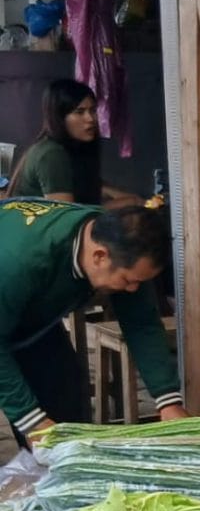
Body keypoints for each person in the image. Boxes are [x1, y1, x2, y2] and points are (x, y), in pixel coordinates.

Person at [0, 200, 186, 443]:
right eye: (128, 280)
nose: (133, 289)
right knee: (32, 420)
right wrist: (31, 420)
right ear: (99, 256)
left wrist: (168, 399)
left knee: (64, 401)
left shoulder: (121, 242)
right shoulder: (20, 262)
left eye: (140, 282)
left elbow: (142, 323)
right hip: (9, 286)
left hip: (29, 317)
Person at [8, 79, 136, 207]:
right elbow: (66, 218)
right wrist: (125, 204)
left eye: (92, 110)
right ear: (60, 118)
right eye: (80, 112)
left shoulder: (74, 149)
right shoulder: (51, 154)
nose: (91, 119)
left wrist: (134, 200)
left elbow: (95, 188)